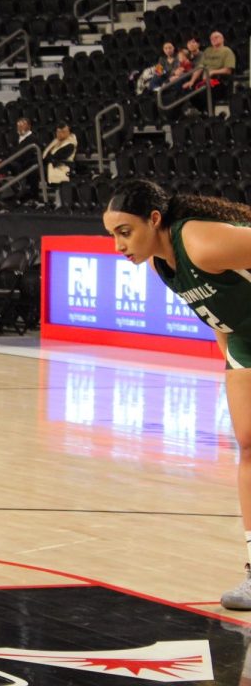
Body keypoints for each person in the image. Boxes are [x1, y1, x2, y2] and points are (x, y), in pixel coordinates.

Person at [100, 179, 251, 611]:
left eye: (125, 232)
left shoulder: (199, 241)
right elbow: (219, 316)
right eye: (112, 236)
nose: (118, 246)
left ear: (154, 220)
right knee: (248, 445)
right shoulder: (163, 266)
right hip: (245, 339)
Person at [42, 121, 77, 187]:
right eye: (58, 132)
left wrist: (46, 158)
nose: (59, 134)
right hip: (49, 163)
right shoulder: (56, 141)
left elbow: (57, 156)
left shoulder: (70, 144)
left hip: (61, 166)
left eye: (62, 132)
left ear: (68, 133)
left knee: (36, 168)